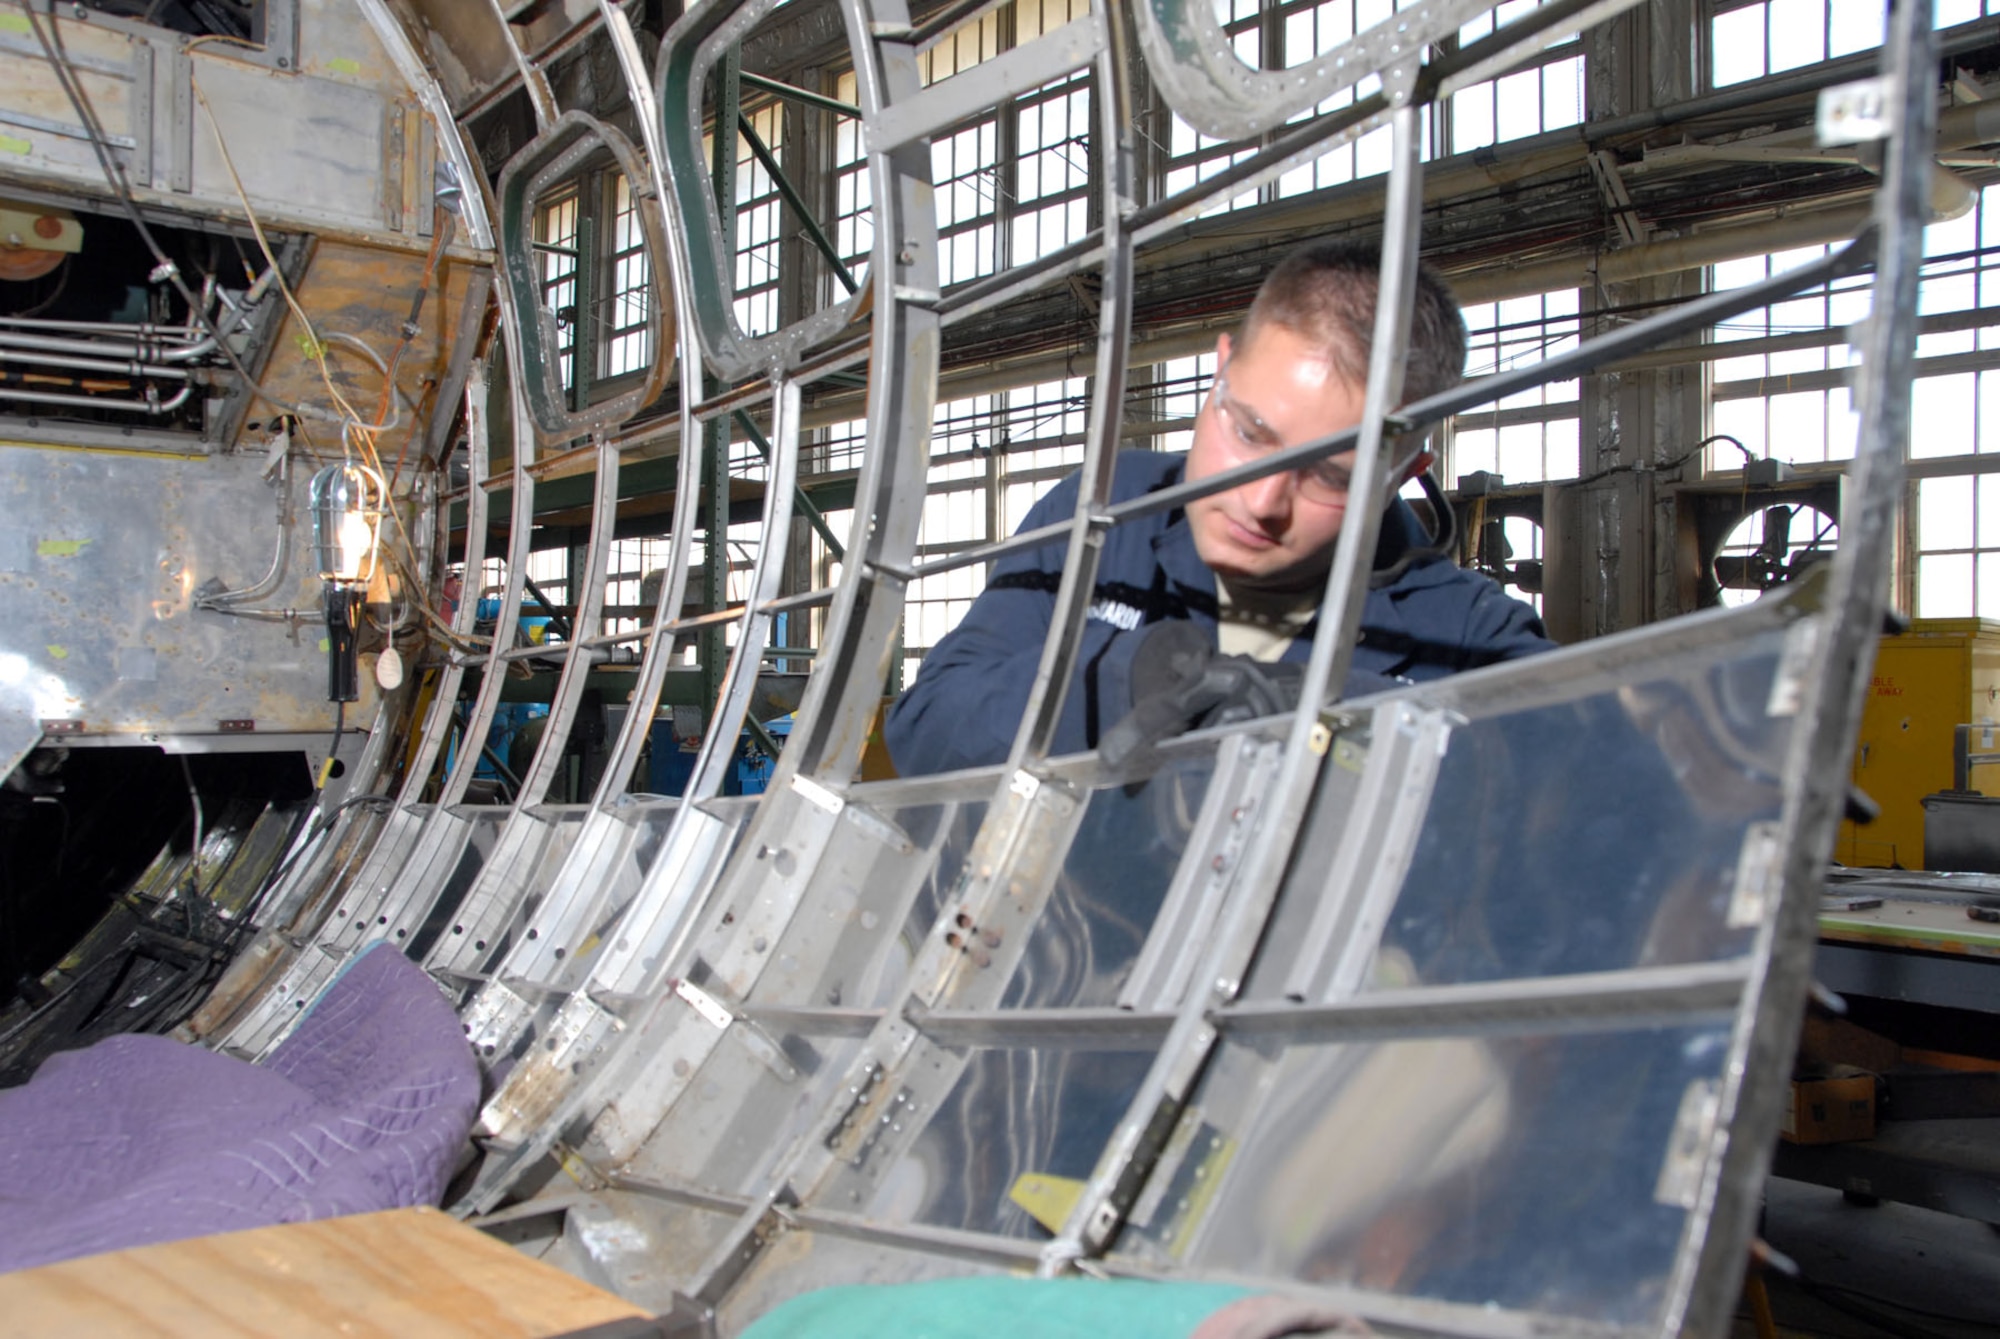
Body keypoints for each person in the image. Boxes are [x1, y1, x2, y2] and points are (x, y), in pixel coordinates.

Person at [884, 240, 1551, 777]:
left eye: (1330, 477)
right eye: (1250, 433)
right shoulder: (1102, 515)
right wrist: (1131, 678)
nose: (1261, 503)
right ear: (1220, 370)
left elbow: (1588, 815)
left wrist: (1345, 718)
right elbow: (928, 727)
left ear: (1405, 473)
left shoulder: (1468, 636)